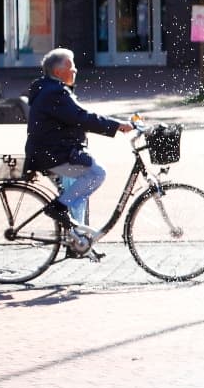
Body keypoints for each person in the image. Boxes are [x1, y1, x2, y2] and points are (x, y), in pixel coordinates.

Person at [23, 47, 136, 258]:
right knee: (96, 174)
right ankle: (59, 209)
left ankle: (79, 242)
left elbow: (78, 117)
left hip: (51, 151)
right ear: (58, 72)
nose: (75, 70)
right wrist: (117, 125)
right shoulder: (55, 92)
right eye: (71, 65)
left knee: (78, 194)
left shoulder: (48, 89)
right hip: (55, 154)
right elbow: (82, 117)